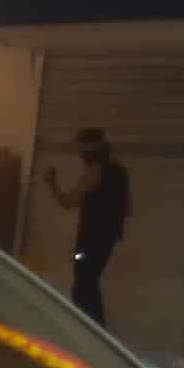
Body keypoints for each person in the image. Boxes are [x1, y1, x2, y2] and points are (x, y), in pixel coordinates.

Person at [44, 127, 130, 323]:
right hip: (108, 239)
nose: (80, 155)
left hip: (89, 240)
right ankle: (96, 331)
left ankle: (93, 330)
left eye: (81, 149)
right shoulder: (121, 171)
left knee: (82, 286)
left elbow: (67, 202)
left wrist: (51, 183)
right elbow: (128, 209)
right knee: (88, 283)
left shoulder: (96, 171)